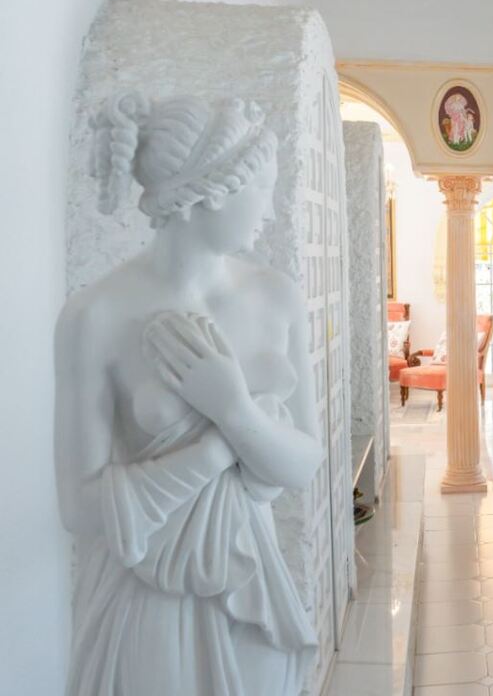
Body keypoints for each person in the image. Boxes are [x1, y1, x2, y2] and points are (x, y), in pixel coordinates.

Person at [55, 93, 321, 695]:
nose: (271, 212)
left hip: (249, 589)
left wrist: (232, 408)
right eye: (264, 190)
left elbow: (304, 462)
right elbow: (78, 506)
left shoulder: (275, 298)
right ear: (215, 192)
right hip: (148, 604)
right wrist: (218, 448)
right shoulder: (95, 316)